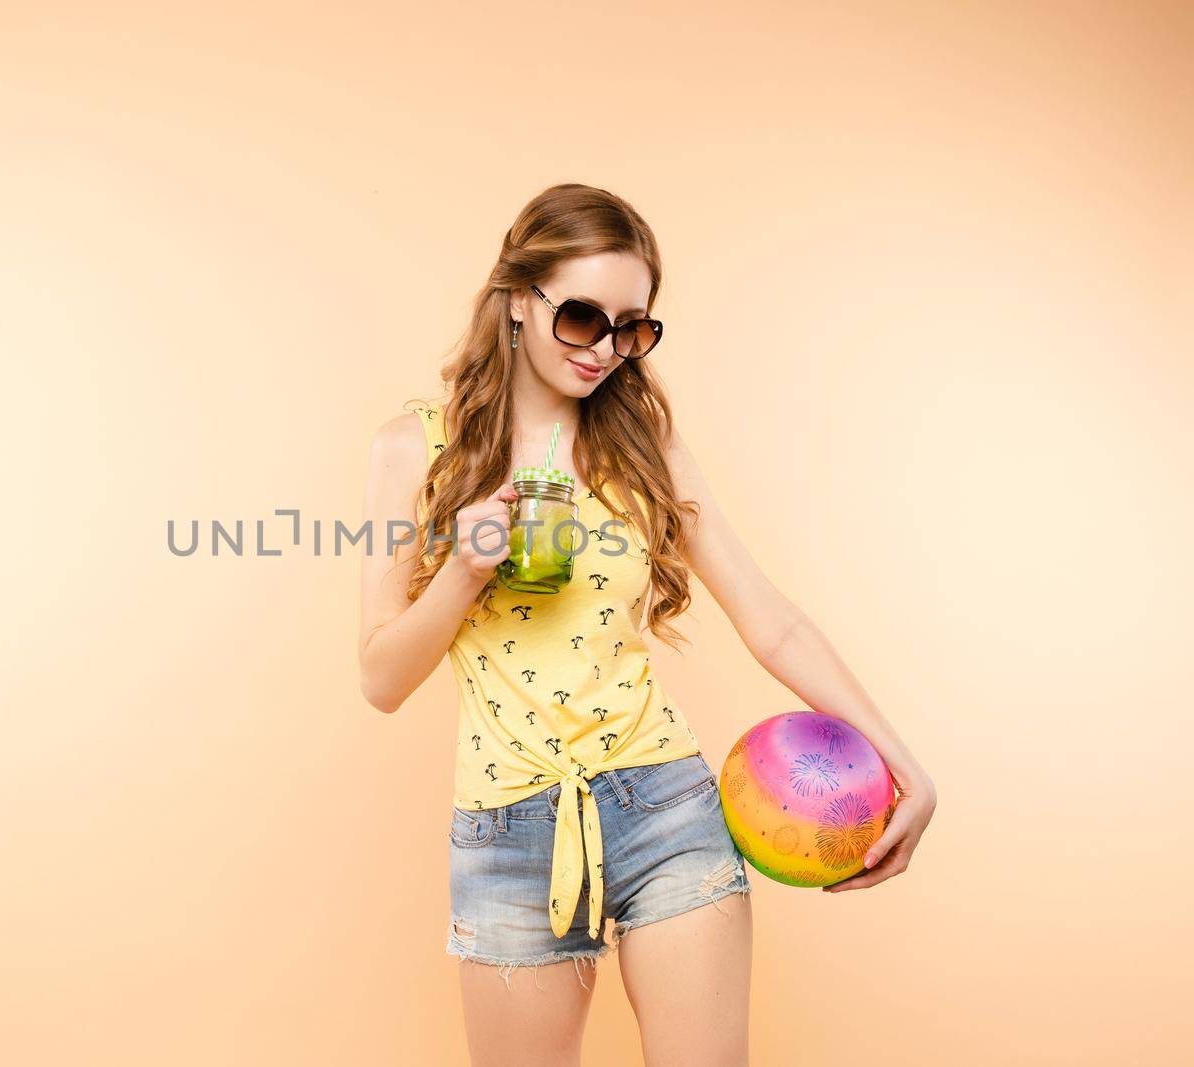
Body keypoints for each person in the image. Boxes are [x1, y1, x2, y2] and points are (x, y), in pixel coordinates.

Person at [357, 183, 937, 1066]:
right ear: (519, 298)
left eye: (634, 327)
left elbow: (766, 615)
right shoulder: (414, 449)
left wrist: (901, 758)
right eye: (583, 318)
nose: (608, 350)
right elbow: (381, 679)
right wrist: (464, 571)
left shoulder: (642, 445)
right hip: (508, 831)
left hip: (664, 806)